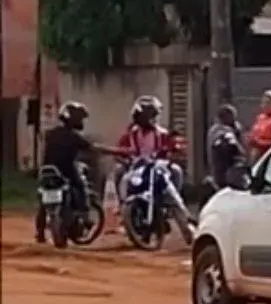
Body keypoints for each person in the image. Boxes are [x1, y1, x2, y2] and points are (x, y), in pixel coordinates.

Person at [35, 101, 96, 244]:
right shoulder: (73, 136)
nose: (81, 121)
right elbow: (91, 147)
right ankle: (85, 216)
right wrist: (115, 151)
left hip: (46, 171)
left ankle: (40, 233)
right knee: (81, 187)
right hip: (65, 171)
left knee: (43, 201)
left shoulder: (51, 133)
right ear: (72, 119)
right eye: (79, 118)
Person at [111, 95, 185, 199]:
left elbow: (173, 151)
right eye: (148, 115)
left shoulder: (164, 134)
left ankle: (171, 201)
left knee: (176, 170)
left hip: (158, 167)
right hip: (135, 168)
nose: (153, 119)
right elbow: (118, 155)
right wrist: (126, 162)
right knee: (118, 171)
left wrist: (171, 156)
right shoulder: (129, 135)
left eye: (154, 115)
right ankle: (122, 201)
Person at [206, 103, 246, 189]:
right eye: (233, 118)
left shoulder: (213, 130)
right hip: (226, 174)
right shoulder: (223, 132)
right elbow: (236, 150)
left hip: (219, 172)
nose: (235, 122)